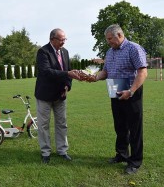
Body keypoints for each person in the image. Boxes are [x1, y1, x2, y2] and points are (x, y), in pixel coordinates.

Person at [81, 24, 148, 174]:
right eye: (107, 40)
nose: (108, 42)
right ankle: (122, 155)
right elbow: (106, 71)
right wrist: (95, 77)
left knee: (135, 128)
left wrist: (130, 91)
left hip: (131, 92)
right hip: (114, 90)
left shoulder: (134, 48)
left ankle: (135, 161)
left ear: (119, 35)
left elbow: (142, 72)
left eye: (110, 39)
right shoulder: (110, 52)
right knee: (120, 126)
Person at [35, 28, 80, 163]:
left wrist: (67, 85)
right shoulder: (43, 52)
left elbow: (69, 71)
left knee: (62, 123)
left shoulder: (65, 52)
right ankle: (45, 152)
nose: (63, 42)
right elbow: (46, 72)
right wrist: (67, 74)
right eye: (61, 40)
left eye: (65, 39)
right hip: (45, 94)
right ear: (52, 39)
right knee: (43, 125)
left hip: (61, 94)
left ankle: (62, 150)